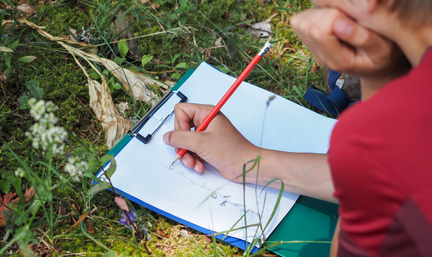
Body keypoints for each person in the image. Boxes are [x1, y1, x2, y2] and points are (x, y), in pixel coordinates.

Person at [163, 0, 432, 256]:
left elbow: (379, 182)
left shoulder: (393, 129)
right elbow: (382, 175)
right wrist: (246, 161)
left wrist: (377, 83)